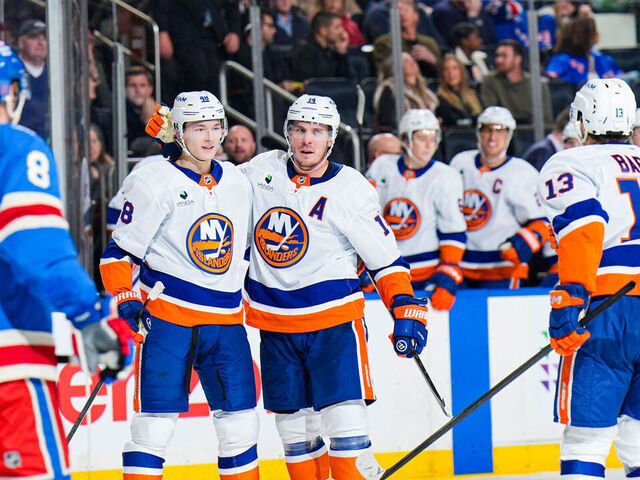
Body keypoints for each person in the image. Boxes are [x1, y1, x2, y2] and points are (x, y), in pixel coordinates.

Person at [146, 94, 431, 480]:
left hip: (333, 328)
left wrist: (405, 308)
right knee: (296, 443)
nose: (307, 140)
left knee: (349, 449)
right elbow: (210, 184)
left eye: (317, 131)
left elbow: (384, 259)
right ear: (287, 133)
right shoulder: (260, 171)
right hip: (276, 330)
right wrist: (176, 148)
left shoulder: (351, 188)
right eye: (299, 130)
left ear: (331, 138)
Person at [100, 92, 260, 480]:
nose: (209, 137)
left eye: (215, 127)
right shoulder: (153, 179)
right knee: (153, 427)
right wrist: (125, 298)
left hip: (225, 322)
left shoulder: (239, 181)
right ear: (179, 131)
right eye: (197, 128)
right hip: (169, 321)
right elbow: (118, 253)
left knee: (240, 427)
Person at [0, 42, 132, 480]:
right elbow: (36, 250)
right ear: (11, 93)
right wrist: (90, 318)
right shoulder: (15, 146)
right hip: (9, 376)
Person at [537, 78, 640, 480]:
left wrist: (570, 297)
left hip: (607, 307)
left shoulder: (571, 162)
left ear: (582, 121)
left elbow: (584, 227)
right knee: (637, 438)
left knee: (586, 439)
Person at [367, 109, 467, 311]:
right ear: (405, 139)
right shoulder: (382, 166)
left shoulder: (446, 176)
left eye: (433, 138)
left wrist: (448, 273)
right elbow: (366, 217)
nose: (429, 145)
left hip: (426, 275)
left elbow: (453, 230)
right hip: (386, 269)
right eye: (422, 138)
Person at [450, 106, 549, 288]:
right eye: (488, 130)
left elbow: (544, 221)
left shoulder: (523, 172)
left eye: (500, 131)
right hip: (462, 266)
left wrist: (523, 243)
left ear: (509, 135)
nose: (493, 137)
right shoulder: (459, 164)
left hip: (503, 267)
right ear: (479, 133)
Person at [481, 39, 553, 125]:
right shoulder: (490, 81)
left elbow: (546, 121)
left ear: (518, 59)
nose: (498, 60)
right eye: (497, 56)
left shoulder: (538, 85)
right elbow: (490, 116)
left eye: (504, 56)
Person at [372, 0, 441, 80]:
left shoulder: (429, 43)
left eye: (406, 10)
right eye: (398, 11)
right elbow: (383, 71)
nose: (402, 14)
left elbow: (443, 71)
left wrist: (433, 60)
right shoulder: (384, 43)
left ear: (416, 15)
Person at [545, 16, 622, 86]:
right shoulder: (561, 60)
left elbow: (622, 80)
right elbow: (550, 81)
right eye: (592, 31)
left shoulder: (603, 58)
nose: (598, 33)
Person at [374, 53, 439, 131]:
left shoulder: (427, 93)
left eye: (412, 59)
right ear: (395, 68)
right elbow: (389, 120)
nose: (412, 62)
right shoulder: (390, 89)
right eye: (406, 61)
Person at [289, 11, 350, 83]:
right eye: (337, 27)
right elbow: (305, 83)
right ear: (323, 30)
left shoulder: (331, 52)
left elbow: (346, 82)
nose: (342, 31)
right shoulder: (304, 51)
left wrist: (342, 53)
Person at [17, 19, 48, 140]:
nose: (41, 42)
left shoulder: (56, 74)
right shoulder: (12, 71)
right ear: (21, 43)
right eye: (34, 37)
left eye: (44, 38)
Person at [435, 53, 483, 128]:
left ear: (461, 71)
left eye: (455, 68)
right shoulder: (439, 100)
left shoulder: (474, 95)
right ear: (442, 74)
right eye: (446, 69)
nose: (451, 73)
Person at [125, 66, 157, 149]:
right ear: (125, 89)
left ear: (150, 89)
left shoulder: (164, 113)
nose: (138, 90)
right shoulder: (119, 115)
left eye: (142, 85)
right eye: (132, 86)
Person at [451, 22, 489, 87]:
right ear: (464, 41)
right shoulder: (453, 62)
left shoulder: (479, 58)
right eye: (476, 37)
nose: (480, 40)